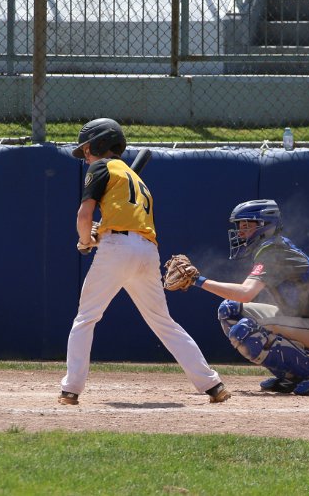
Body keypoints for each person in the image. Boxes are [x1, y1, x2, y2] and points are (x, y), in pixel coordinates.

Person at [59, 118, 230, 405]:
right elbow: (122, 222)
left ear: (101, 143)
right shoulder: (135, 179)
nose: (85, 156)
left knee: (85, 318)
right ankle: (212, 384)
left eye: (87, 149)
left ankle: (71, 388)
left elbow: (84, 215)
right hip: (147, 252)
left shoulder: (101, 168)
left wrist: (85, 240)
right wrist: (97, 235)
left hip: (118, 249)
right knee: (164, 322)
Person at [172, 199, 309, 396]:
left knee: (245, 330)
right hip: (301, 322)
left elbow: (245, 293)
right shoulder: (271, 248)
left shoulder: (275, 251)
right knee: (230, 310)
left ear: (265, 225)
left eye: (246, 225)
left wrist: (198, 280)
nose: (240, 232)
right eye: (239, 226)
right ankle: (291, 375)